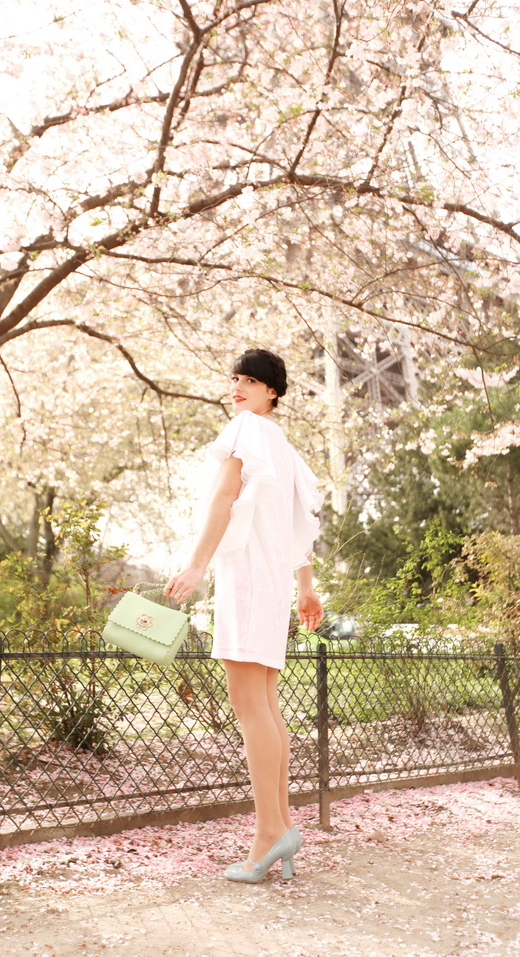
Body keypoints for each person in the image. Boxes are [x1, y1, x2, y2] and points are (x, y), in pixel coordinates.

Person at [164, 348, 324, 883]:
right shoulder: (284, 447)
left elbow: (225, 499)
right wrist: (305, 589)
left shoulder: (246, 429)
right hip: (272, 582)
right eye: (236, 378)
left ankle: (269, 835)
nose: (238, 387)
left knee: (248, 702)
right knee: (265, 704)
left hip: (248, 580)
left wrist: (194, 565)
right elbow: (299, 527)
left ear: (272, 391)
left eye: (250, 380)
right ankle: (279, 827)